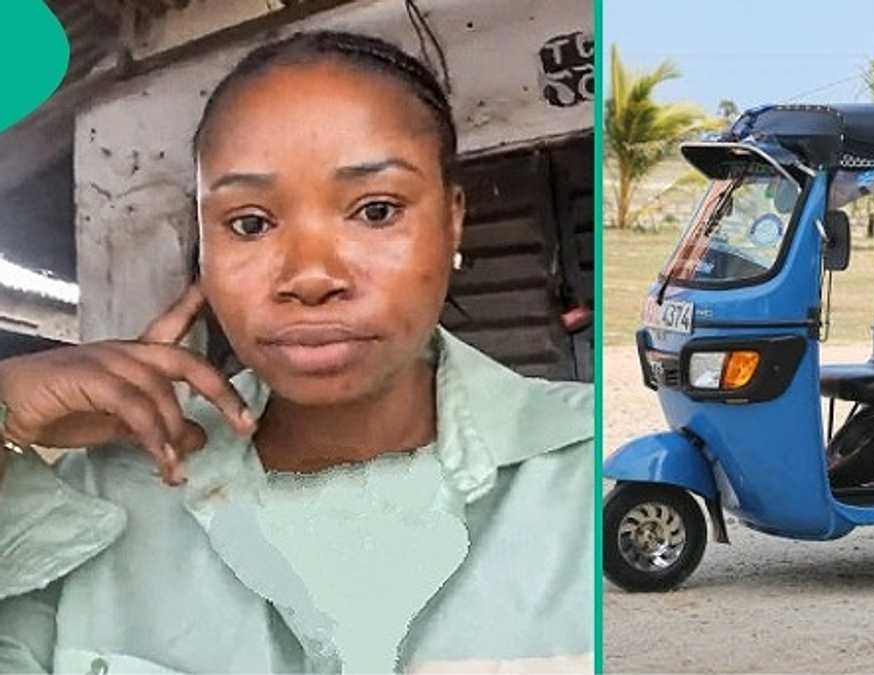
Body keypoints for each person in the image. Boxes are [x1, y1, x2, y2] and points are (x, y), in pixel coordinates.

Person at [0, 31, 593, 673]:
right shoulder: (98, 498)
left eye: (375, 210)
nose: (311, 276)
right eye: (250, 223)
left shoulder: (589, 472)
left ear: (452, 220)